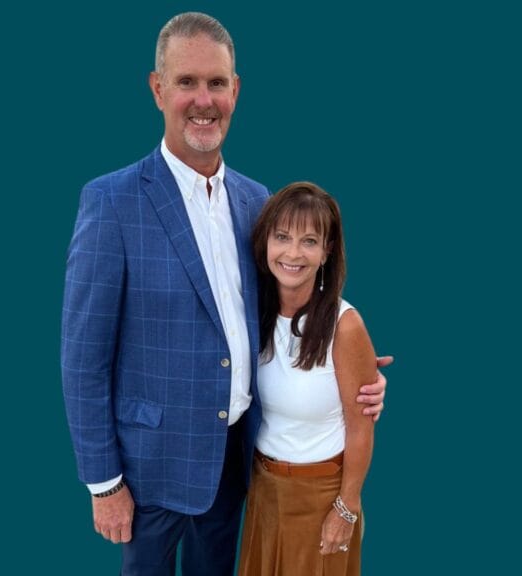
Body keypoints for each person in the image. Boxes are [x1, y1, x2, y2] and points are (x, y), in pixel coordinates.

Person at [61, 12, 390, 576]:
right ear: (157, 88)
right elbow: (82, 357)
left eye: (216, 82)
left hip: (235, 462)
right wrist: (103, 481)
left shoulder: (254, 201)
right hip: (149, 473)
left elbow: (280, 308)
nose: (203, 100)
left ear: (235, 90)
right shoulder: (111, 202)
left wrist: (351, 366)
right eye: (186, 82)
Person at [237, 182, 377, 576]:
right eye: (282, 237)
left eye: (309, 241)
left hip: (321, 499)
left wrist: (347, 509)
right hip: (264, 493)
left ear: (326, 252)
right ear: (266, 242)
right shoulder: (252, 315)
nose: (293, 253)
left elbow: (361, 429)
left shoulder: (344, 326)